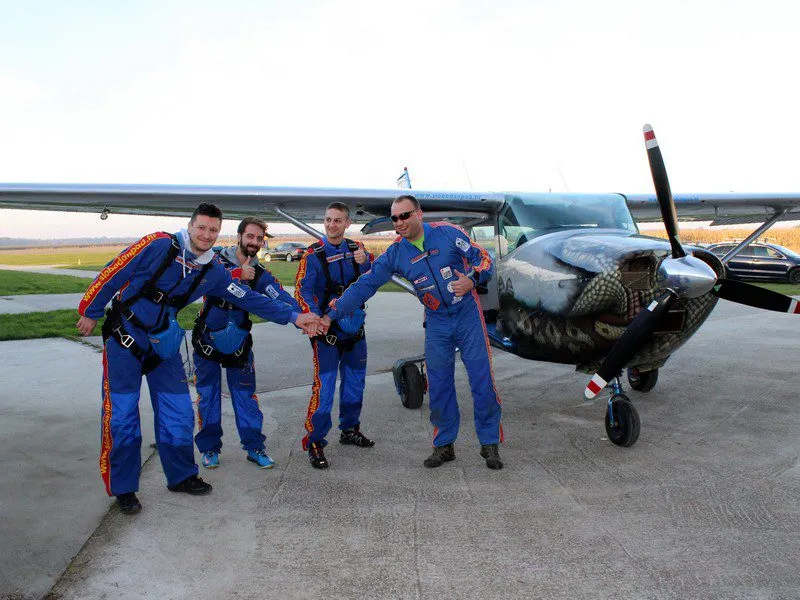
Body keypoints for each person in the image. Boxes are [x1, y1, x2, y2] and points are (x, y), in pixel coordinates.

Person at [76, 203, 319, 515]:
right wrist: (90, 311)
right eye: (202, 227)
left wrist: (295, 317)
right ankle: (124, 489)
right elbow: (114, 270)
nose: (206, 235)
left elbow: (249, 297)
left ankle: (181, 476)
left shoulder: (214, 271)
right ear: (190, 226)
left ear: (219, 233)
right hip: (125, 339)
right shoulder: (158, 245)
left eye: (213, 230)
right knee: (122, 416)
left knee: (178, 412)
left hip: (163, 345)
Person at [321, 195, 504, 469]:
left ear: (418, 213)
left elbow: (484, 259)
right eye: (394, 218)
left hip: (467, 316)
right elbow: (365, 284)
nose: (399, 223)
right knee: (439, 386)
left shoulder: (448, 233)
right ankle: (444, 446)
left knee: (482, 382)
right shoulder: (396, 252)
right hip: (437, 322)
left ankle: (489, 445)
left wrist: (472, 280)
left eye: (404, 216)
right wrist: (331, 314)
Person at [192, 217, 300, 471]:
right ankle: (210, 449)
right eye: (249, 236)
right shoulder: (214, 259)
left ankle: (254, 447)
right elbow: (199, 281)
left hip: (238, 343)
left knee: (246, 398)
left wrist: (303, 318)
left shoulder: (260, 274)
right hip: (207, 341)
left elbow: (279, 295)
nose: (254, 242)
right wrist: (237, 274)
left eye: (259, 239)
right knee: (207, 397)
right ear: (239, 236)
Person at [294, 202, 375, 469]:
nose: (331, 225)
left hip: (354, 332)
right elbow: (303, 290)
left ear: (348, 223)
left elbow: (370, 281)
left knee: (355, 384)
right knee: (325, 389)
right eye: (328, 220)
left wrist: (366, 263)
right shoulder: (313, 255)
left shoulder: (357, 251)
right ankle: (315, 440)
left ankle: (350, 429)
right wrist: (315, 319)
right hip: (326, 334)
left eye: (337, 220)